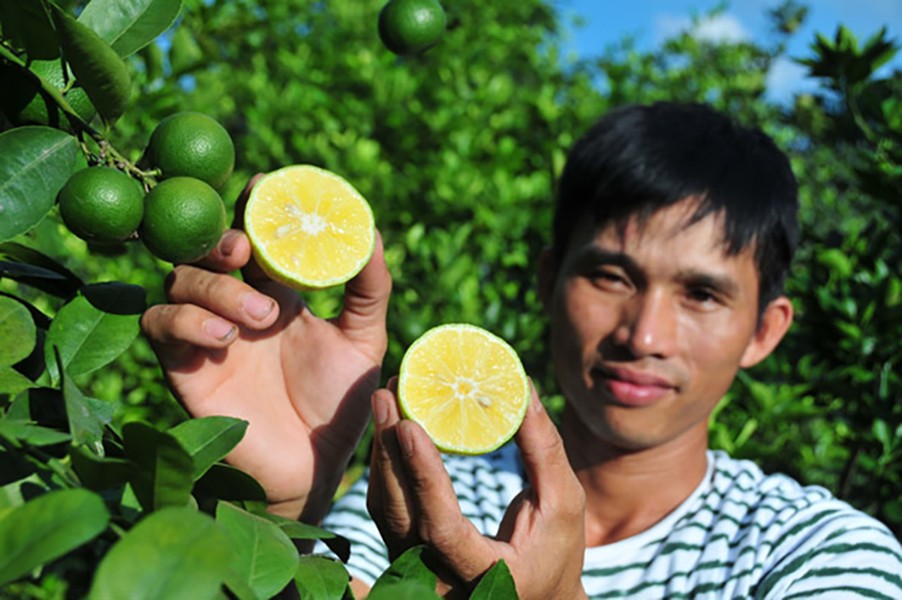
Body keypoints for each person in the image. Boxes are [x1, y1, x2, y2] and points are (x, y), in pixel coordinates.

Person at [141, 102, 902, 598]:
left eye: (701, 294)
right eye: (611, 275)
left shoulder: (817, 553)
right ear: (548, 279)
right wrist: (282, 508)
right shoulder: (424, 502)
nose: (643, 335)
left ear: (765, 330)